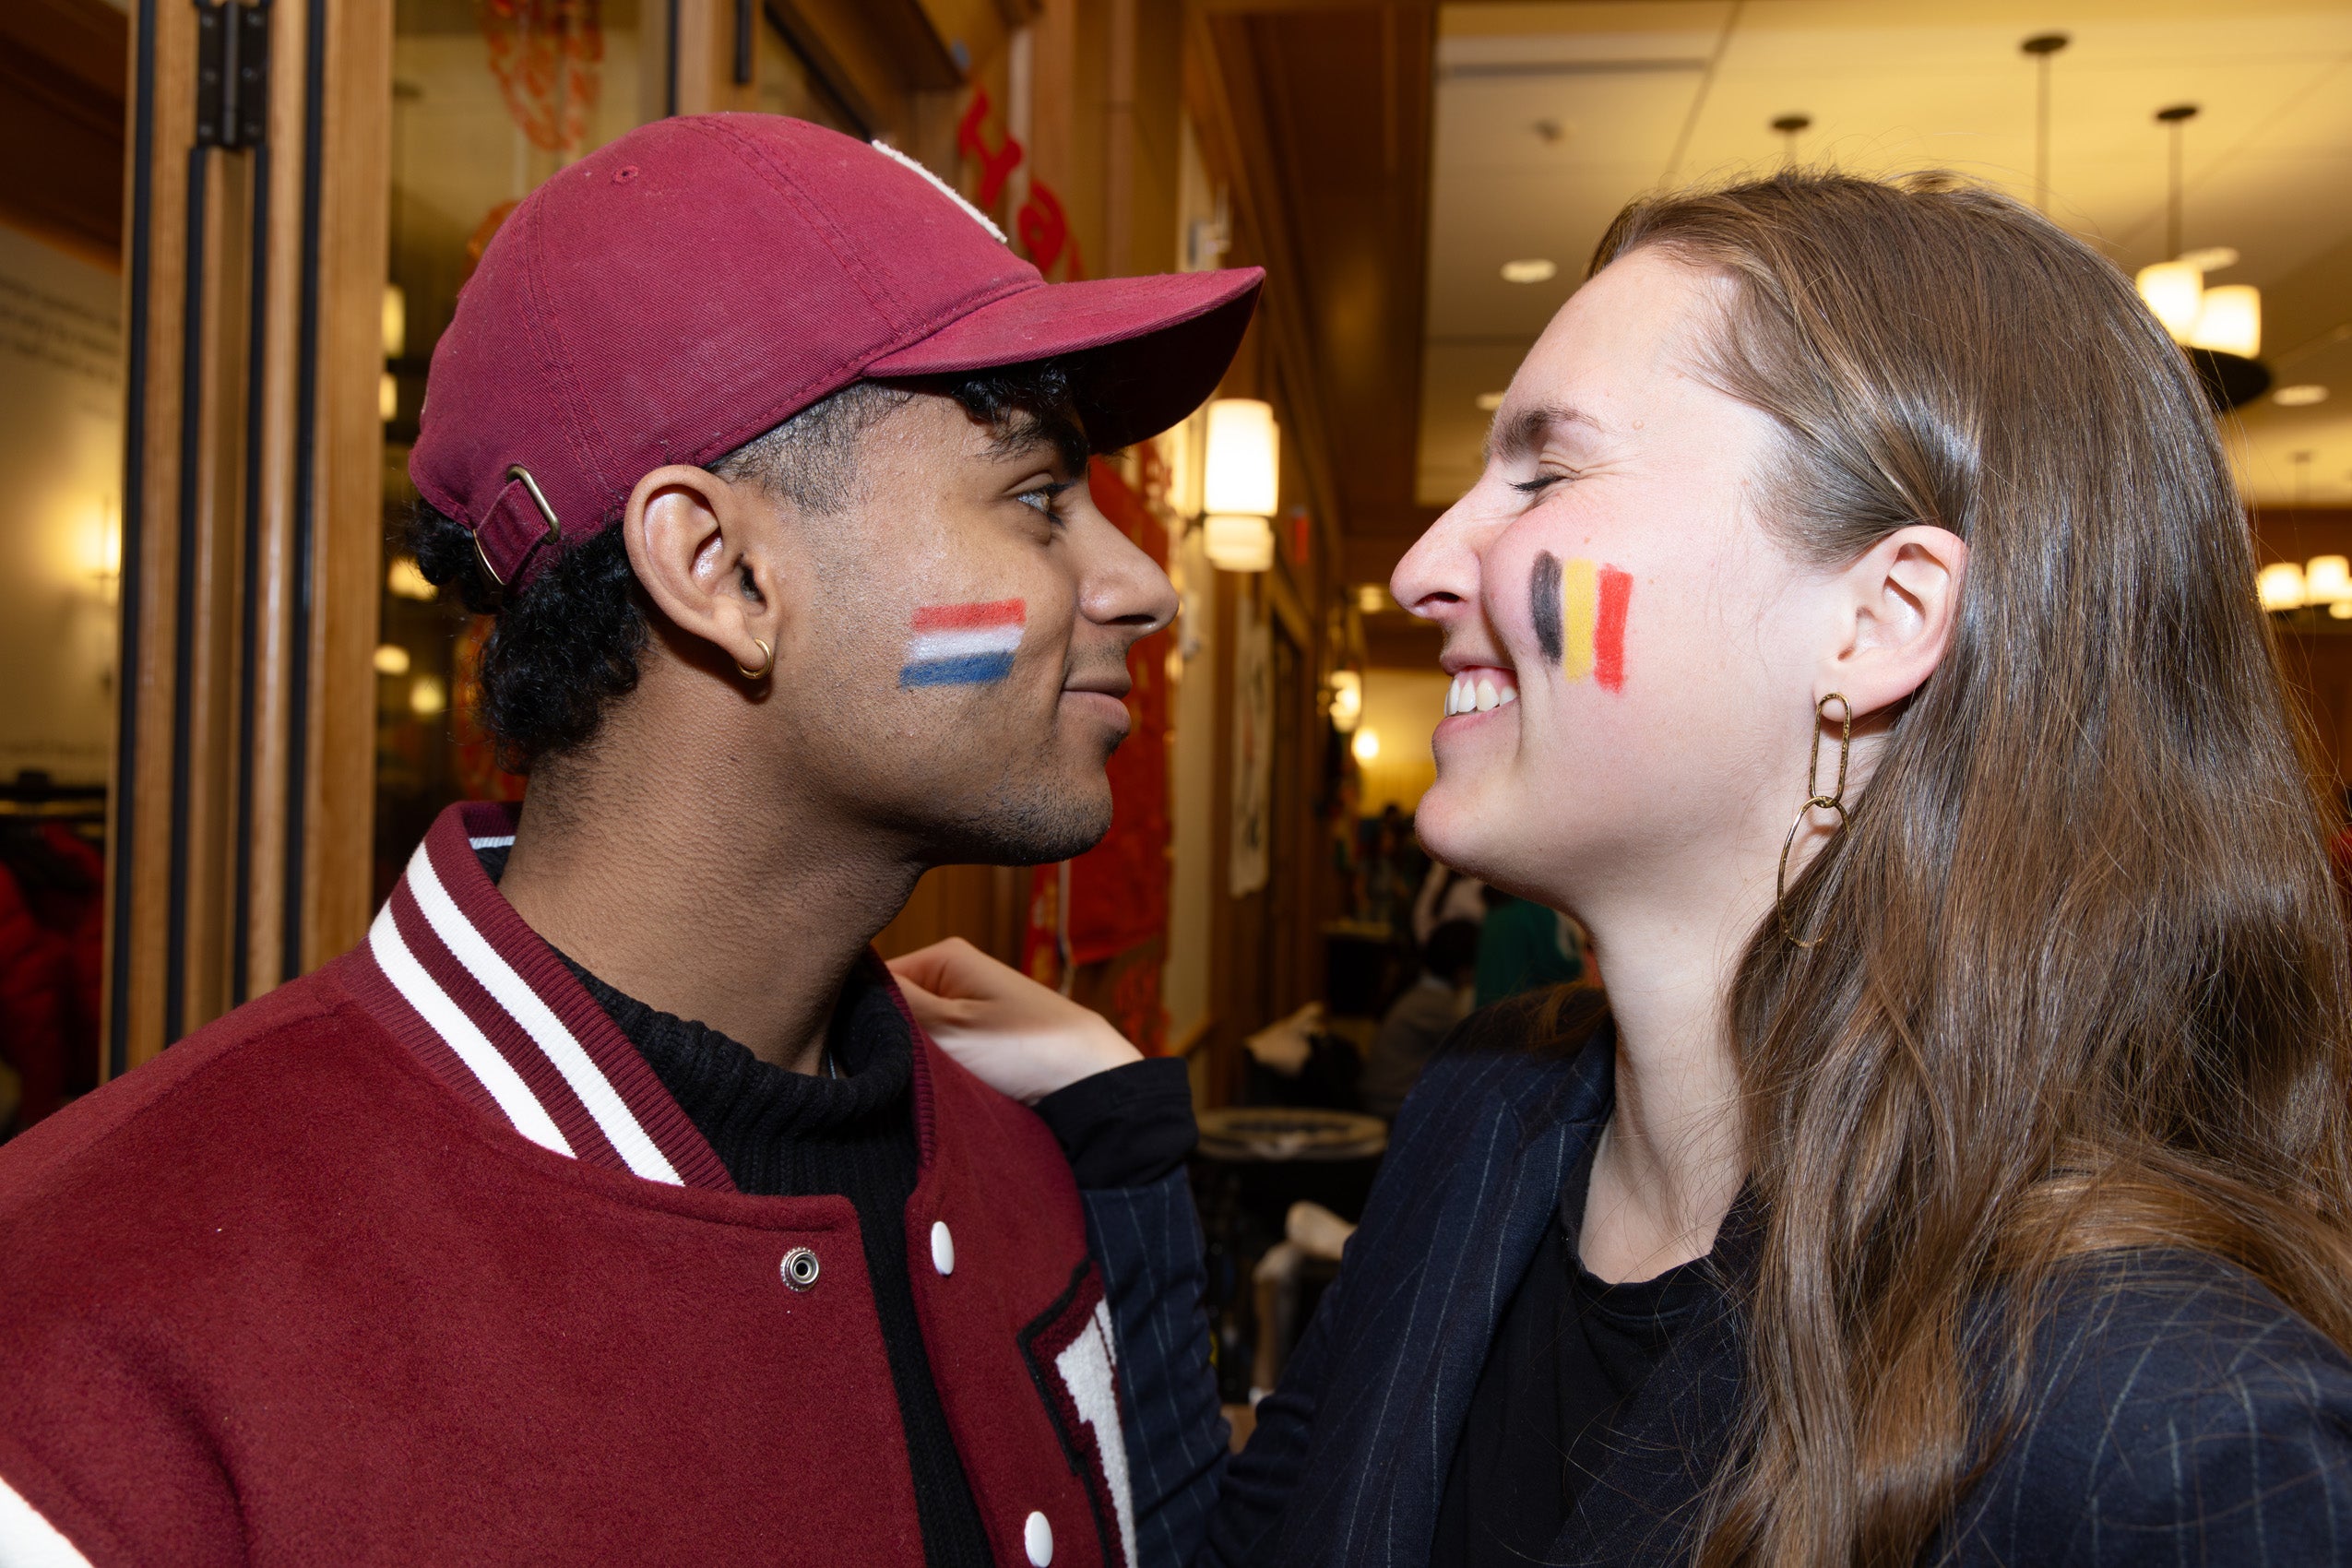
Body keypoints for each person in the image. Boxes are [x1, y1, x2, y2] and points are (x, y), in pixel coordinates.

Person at [899, 169, 2352, 1566]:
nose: (1420, 568)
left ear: (1879, 614)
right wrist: (1123, 1130)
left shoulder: (2161, 1421)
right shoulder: (1487, 1119)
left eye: (1546, 467)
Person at [0, 114, 1260, 1566]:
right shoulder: (100, 1317)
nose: (1142, 586)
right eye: (1036, 495)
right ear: (717, 568)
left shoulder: (1027, 1168)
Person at [1360, 917, 1478, 1119]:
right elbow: (1472, 1052)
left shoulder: (1423, 992)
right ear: (1463, 970)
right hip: (1392, 1102)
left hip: (1385, 1096)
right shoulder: (1434, 1004)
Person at [1468, 890, 1580, 1008]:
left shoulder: (1496, 909)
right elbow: (1560, 966)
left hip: (1487, 1010)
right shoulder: (1539, 909)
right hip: (1523, 1010)